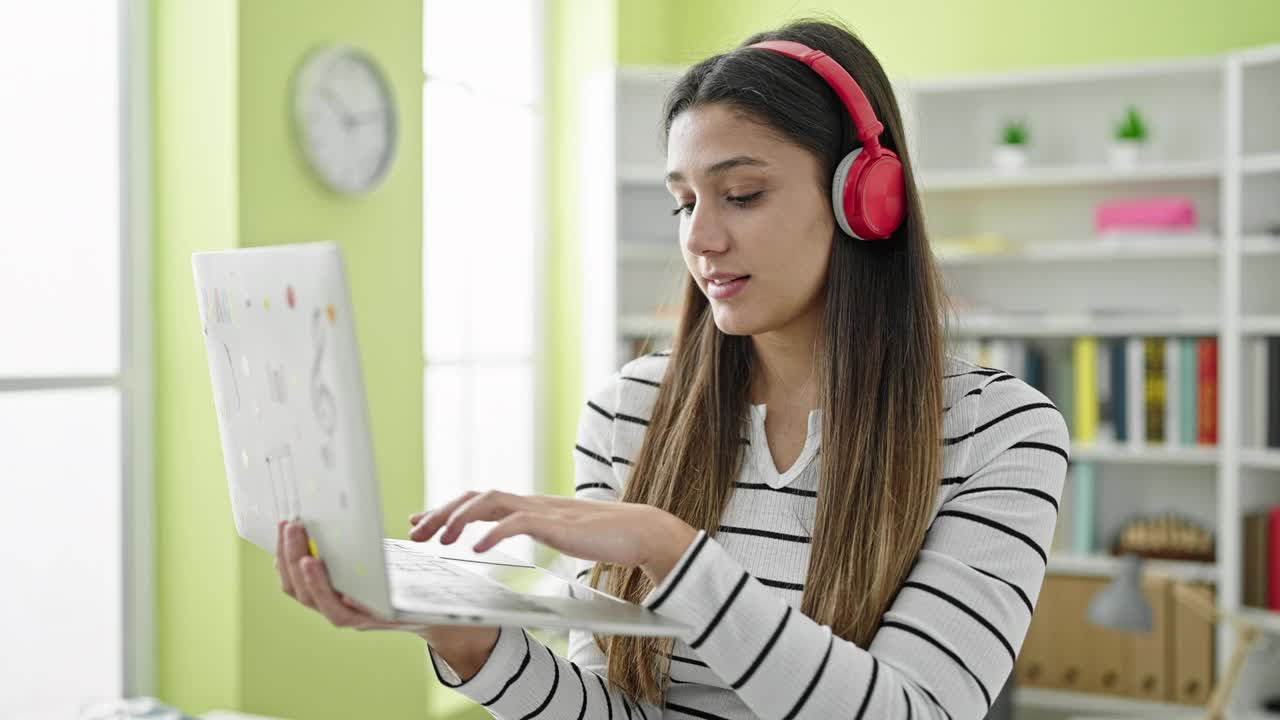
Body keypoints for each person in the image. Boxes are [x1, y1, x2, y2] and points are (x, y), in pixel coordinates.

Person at [276, 17, 1069, 719]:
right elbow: (611, 707)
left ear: (865, 198)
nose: (700, 239)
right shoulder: (628, 411)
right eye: (684, 202)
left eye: (744, 194)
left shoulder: (1002, 435)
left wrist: (674, 554)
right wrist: (470, 640)